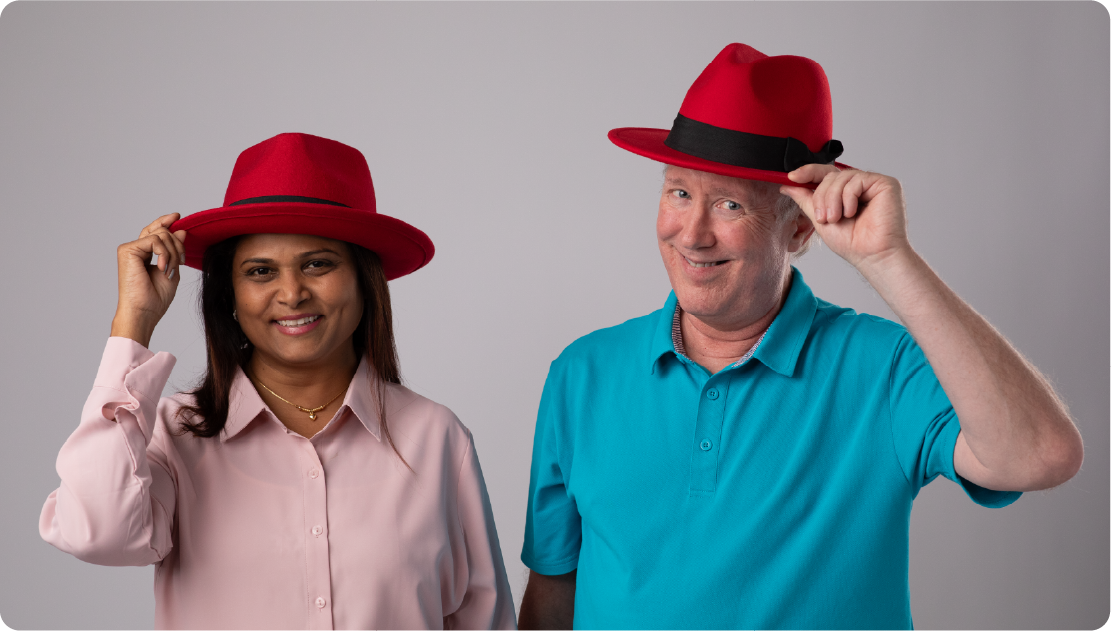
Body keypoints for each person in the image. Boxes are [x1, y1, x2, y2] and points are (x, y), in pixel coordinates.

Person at [517, 44, 1084, 631]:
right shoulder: (581, 373)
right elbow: (554, 590)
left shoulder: (884, 367)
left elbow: (1041, 456)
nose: (692, 234)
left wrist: (890, 260)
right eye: (679, 192)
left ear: (800, 228)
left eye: (730, 204)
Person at [39, 133, 517, 630]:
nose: (291, 293)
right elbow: (95, 533)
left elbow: (486, 620)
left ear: (363, 278)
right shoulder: (173, 433)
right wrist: (132, 323)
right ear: (230, 294)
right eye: (261, 271)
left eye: (318, 263)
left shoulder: (437, 438)